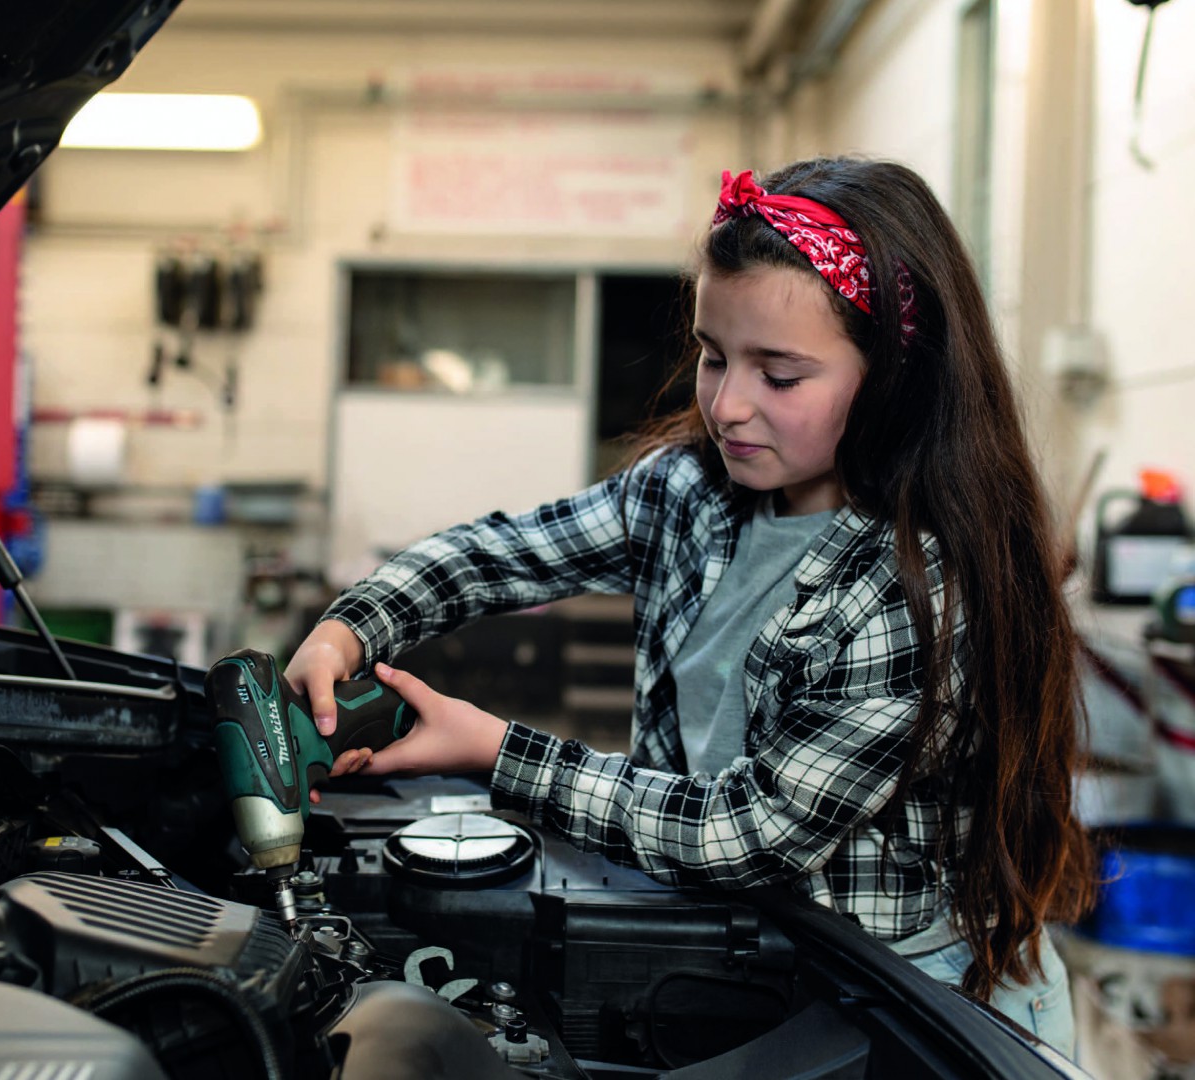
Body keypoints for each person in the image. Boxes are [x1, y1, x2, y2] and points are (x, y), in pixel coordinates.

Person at [286, 157, 1095, 1051]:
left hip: (902, 1002)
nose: (728, 405)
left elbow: (745, 830)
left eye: (779, 376)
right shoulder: (690, 495)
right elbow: (498, 553)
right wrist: (354, 624)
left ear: (896, 377)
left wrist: (498, 753)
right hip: (735, 951)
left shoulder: (911, 588)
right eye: (714, 357)